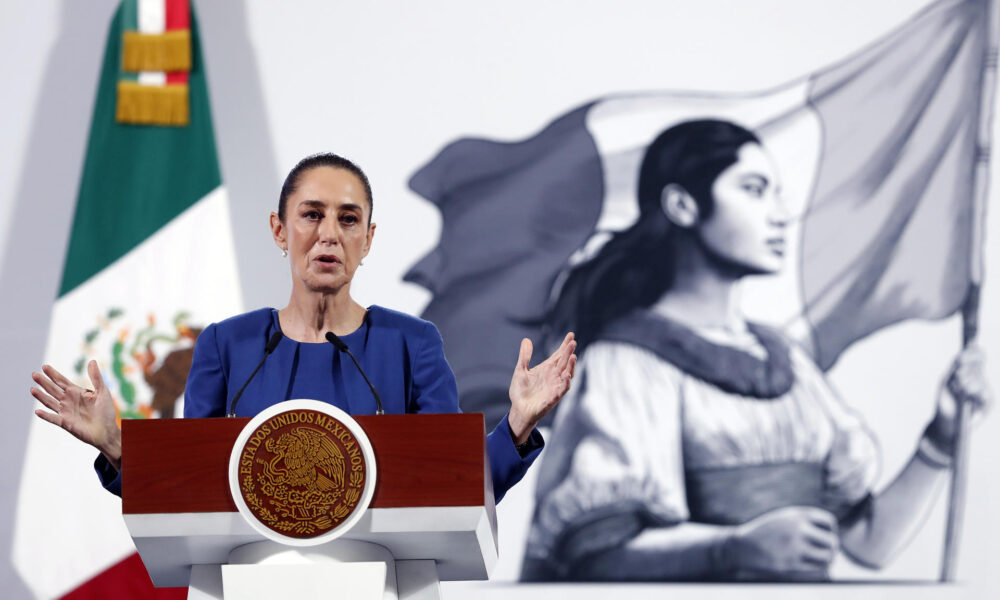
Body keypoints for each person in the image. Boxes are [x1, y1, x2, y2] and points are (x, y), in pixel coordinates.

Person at [521, 120, 991, 581]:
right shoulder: (627, 362)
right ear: (682, 205)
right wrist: (733, 548)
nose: (780, 213)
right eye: (753, 189)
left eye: (775, 192)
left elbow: (869, 543)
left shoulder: (787, 361)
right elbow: (596, 555)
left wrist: (942, 436)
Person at [31, 152, 577, 504]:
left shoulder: (411, 344)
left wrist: (517, 427)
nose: (329, 235)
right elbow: (189, 488)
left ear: (368, 239)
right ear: (279, 229)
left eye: (348, 219)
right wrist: (119, 447)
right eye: (311, 214)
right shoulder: (228, 345)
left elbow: (453, 485)